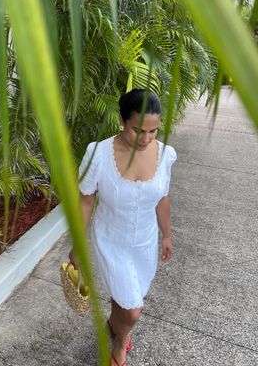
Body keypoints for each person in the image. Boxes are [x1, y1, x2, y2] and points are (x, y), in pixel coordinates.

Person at [69, 88, 177, 366]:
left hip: (144, 243)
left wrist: (166, 235)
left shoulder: (165, 155)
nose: (146, 139)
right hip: (110, 240)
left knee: (127, 298)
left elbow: (162, 198)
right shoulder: (98, 154)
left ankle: (115, 325)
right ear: (121, 121)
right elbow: (85, 202)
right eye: (137, 130)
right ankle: (119, 343)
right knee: (132, 311)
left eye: (153, 131)